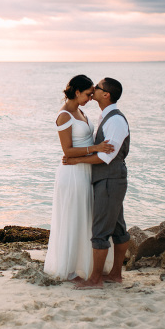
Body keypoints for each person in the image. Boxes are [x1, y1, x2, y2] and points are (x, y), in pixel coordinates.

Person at [43, 75, 114, 282]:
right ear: (76, 92)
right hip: (72, 173)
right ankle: (70, 269)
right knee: (73, 218)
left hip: (85, 171)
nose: (90, 98)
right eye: (87, 94)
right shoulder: (64, 116)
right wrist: (96, 148)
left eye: (92, 94)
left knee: (85, 218)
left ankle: (86, 266)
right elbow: (67, 151)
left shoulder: (80, 111)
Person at [63, 77, 131, 290]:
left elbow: (106, 157)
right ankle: (115, 275)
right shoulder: (106, 117)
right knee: (118, 227)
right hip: (109, 179)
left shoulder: (116, 121)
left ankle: (95, 279)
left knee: (100, 230)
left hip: (110, 179)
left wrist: (77, 160)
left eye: (97, 88)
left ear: (106, 94)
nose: (93, 91)